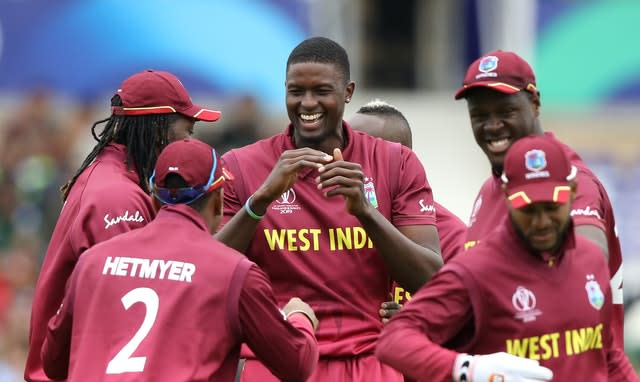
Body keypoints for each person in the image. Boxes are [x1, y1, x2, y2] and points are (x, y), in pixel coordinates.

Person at [216, 36, 443, 381]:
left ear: (348, 92)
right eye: (296, 91)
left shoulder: (395, 162)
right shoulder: (242, 165)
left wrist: (366, 213)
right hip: (277, 363)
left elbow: (430, 276)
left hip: (367, 361)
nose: (307, 103)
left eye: (321, 90)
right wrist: (259, 202)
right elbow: (208, 271)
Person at [40, 138, 319, 381]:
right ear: (218, 201)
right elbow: (296, 364)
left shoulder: (93, 262)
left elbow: (53, 363)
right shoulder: (234, 272)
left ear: (154, 201)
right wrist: (300, 317)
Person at [376, 135, 638, 381]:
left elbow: (608, 356)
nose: (542, 222)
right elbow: (394, 341)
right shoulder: (475, 270)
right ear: (506, 198)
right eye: (529, 209)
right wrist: (470, 369)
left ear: (571, 193)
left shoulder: (591, 259)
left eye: (551, 207)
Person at [26, 70, 222, 382]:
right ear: (158, 130)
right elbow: (128, 324)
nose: (189, 143)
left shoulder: (110, 177)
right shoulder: (119, 200)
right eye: (188, 131)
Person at [455, 50, 627, 351]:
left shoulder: (573, 181)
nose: (492, 126)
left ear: (535, 103)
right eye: (479, 116)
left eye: (506, 112)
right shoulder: (489, 189)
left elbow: (589, 264)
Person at [349, 99, 466, 313]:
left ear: (405, 161)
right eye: (350, 153)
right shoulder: (331, 225)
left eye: (370, 156)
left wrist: (416, 320)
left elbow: (471, 319)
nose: (356, 169)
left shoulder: (454, 238)